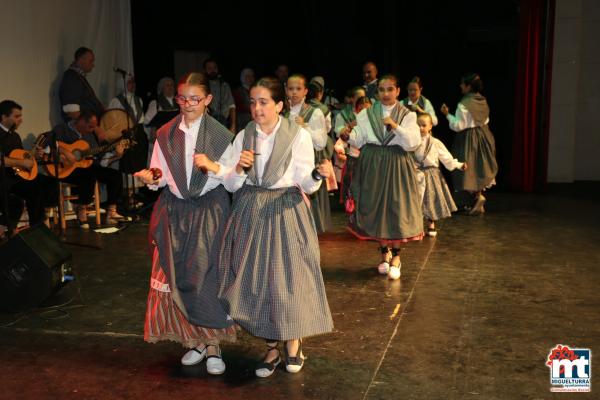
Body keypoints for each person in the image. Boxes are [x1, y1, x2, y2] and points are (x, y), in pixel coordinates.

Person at [218, 77, 333, 378]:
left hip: (285, 210)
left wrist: (317, 175)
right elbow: (229, 182)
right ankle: (271, 347)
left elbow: (306, 183)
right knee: (258, 281)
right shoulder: (244, 135)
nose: (256, 108)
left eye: (263, 102)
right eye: (253, 102)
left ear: (279, 105)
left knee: (287, 279)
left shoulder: (298, 135)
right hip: (251, 210)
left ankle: (293, 344)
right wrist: (240, 170)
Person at [134, 72, 236, 375]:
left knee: (206, 276)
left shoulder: (220, 136)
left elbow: (232, 180)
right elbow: (160, 173)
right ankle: (193, 341)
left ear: (207, 100)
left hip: (208, 212)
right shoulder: (166, 133)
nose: (187, 104)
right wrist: (151, 178)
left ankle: (214, 344)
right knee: (177, 275)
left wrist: (213, 167)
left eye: (194, 98)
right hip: (175, 210)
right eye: (182, 98)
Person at [340, 74, 423, 280]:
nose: (386, 94)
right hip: (374, 162)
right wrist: (347, 135)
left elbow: (413, 142)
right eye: (382, 90)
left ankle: (396, 255)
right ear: (377, 93)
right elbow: (359, 139)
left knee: (395, 207)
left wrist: (396, 127)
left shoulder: (407, 115)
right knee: (377, 207)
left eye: (390, 89)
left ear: (397, 91)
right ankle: (384, 252)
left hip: (396, 163)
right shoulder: (366, 114)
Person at [50, 111, 125, 228]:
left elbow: (99, 160)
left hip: (87, 168)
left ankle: (111, 212)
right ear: (80, 121)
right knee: (88, 174)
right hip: (64, 169)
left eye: (93, 127)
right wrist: (65, 152)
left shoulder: (89, 136)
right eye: (90, 126)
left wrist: (116, 155)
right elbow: (50, 143)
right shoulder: (62, 129)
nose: (91, 130)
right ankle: (81, 208)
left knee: (115, 175)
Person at [441, 73, 498, 215]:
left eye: (462, 84)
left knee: (468, 170)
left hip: (469, 139)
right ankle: (478, 202)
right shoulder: (482, 100)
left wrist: (447, 114)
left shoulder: (464, 104)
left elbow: (459, 125)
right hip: (484, 136)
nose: (461, 86)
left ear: (469, 86)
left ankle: (479, 197)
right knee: (479, 168)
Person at [0, 100, 56, 232]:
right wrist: (20, 162)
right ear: (3, 117)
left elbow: (20, 157)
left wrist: (33, 156)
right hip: (5, 180)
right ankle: (37, 228)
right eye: (17, 116)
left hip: (17, 177)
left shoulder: (15, 136)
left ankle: (42, 218)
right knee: (34, 190)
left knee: (51, 183)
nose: (21, 120)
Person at [284, 74, 330, 233]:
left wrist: (305, 127)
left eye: (298, 89)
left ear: (305, 91)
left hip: (306, 161)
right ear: (285, 90)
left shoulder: (314, 112)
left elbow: (321, 142)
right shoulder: (282, 113)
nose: (294, 93)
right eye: (291, 89)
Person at [414, 113, 466, 236]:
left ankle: (431, 223)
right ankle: (416, 226)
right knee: (416, 200)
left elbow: (446, 157)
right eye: (418, 125)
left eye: (424, 125)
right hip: (416, 173)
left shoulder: (435, 142)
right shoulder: (412, 141)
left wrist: (458, 165)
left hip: (431, 174)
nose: (421, 128)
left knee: (430, 199)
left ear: (430, 126)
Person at [334, 95, 371, 212]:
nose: (365, 112)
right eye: (361, 110)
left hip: (369, 162)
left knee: (368, 190)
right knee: (353, 190)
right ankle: (354, 216)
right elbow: (340, 142)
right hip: (353, 162)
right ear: (357, 110)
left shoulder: (375, 127)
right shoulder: (352, 126)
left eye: (368, 109)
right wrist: (349, 127)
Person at [107, 74, 149, 174]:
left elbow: (141, 119)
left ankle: (140, 186)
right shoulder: (116, 101)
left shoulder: (139, 100)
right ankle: (128, 188)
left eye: (133, 82)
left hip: (139, 133)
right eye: (130, 82)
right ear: (123, 85)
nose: (133, 84)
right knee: (128, 164)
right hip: (126, 134)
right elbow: (111, 120)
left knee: (141, 163)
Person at [59, 47, 105, 122]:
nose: (93, 65)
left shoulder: (78, 77)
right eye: (91, 61)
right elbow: (72, 112)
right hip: (83, 129)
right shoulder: (72, 77)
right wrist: (95, 128)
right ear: (81, 60)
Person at [144, 77, 179, 165]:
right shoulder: (155, 103)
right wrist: (151, 132)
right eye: (167, 85)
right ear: (162, 88)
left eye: (172, 85)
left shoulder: (179, 102)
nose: (170, 87)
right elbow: (147, 122)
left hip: (177, 141)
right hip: (161, 140)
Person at [204, 58, 236, 132]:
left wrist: (233, 125)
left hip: (223, 123)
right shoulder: (202, 85)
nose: (212, 70)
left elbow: (231, 106)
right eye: (209, 68)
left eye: (214, 68)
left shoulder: (224, 85)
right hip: (206, 123)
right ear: (205, 70)